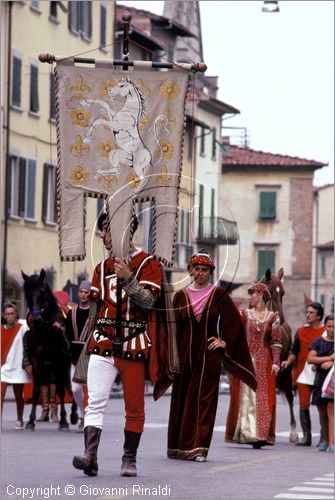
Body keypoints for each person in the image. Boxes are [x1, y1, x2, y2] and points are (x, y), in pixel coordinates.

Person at [73, 213, 177, 477]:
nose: (103, 236)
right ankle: (90, 456)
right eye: (103, 231)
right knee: (93, 402)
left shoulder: (148, 264)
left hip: (133, 343)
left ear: (124, 231)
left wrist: (129, 278)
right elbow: (95, 312)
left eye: (107, 230)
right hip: (102, 341)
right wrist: (83, 350)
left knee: (133, 406)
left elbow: (148, 303)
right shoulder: (100, 268)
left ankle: (129, 459)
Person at [167, 251, 257, 462]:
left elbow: (234, 325)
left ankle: (198, 448)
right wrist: (171, 358)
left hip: (208, 357)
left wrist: (224, 342)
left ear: (210, 272)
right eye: (196, 269)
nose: (200, 273)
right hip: (184, 356)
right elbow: (172, 331)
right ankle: (178, 447)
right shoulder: (179, 296)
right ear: (190, 270)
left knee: (204, 401)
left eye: (204, 270)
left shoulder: (219, 296)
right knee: (182, 399)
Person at [225, 282, 282, 448]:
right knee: (245, 397)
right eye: (250, 294)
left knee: (263, 398)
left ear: (262, 296)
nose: (251, 297)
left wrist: (276, 362)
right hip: (246, 361)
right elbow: (235, 334)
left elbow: (276, 342)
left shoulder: (273, 317)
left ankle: (260, 435)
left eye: (254, 294)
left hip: (265, 362)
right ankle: (245, 433)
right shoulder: (244, 313)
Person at [281, 302, 325, 446]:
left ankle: (324, 437)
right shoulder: (300, 331)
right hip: (302, 374)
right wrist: (288, 362)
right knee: (303, 404)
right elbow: (294, 351)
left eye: (311, 313)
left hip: (321, 374)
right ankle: (307, 437)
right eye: (307, 312)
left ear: (319, 316)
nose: (308, 315)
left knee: (321, 405)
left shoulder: (326, 332)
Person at [65, 281, 91, 432]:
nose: (83, 294)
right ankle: (83, 414)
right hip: (74, 355)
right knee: (75, 389)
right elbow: (67, 333)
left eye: (86, 292)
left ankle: (87, 419)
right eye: (81, 291)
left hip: (89, 355)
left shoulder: (94, 311)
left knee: (89, 390)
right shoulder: (72, 312)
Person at [1, 302, 30, 429]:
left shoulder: (23, 327)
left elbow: (32, 322)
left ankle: (19, 419)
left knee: (19, 397)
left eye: (12, 313)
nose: (10, 316)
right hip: (3, 368)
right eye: (7, 314)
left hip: (18, 368)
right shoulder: (1, 330)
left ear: (16, 314)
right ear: (4, 315)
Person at [307, 314, 334, 453]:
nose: (331, 329)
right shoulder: (318, 342)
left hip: (333, 383)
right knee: (322, 412)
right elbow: (310, 359)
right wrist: (327, 359)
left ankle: (331, 442)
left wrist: (332, 362)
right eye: (329, 326)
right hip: (321, 380)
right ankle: (324, 438)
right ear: (325, 326)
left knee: (331, 411)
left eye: (334, 327)